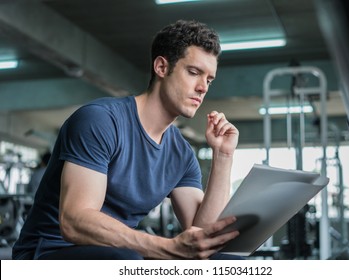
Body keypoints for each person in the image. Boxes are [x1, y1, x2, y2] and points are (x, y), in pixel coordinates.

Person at [12, 19, 241, 260]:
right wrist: (167, 247)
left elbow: (203, 237)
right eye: (194, 72)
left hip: (116, 253)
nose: (203, 87)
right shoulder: (100, 120)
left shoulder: (181, 153)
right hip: (49, 253)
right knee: (126, 260)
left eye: (209, 79)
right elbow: (74, 221)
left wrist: (223, 155)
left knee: (226, 260)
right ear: (162, 67)